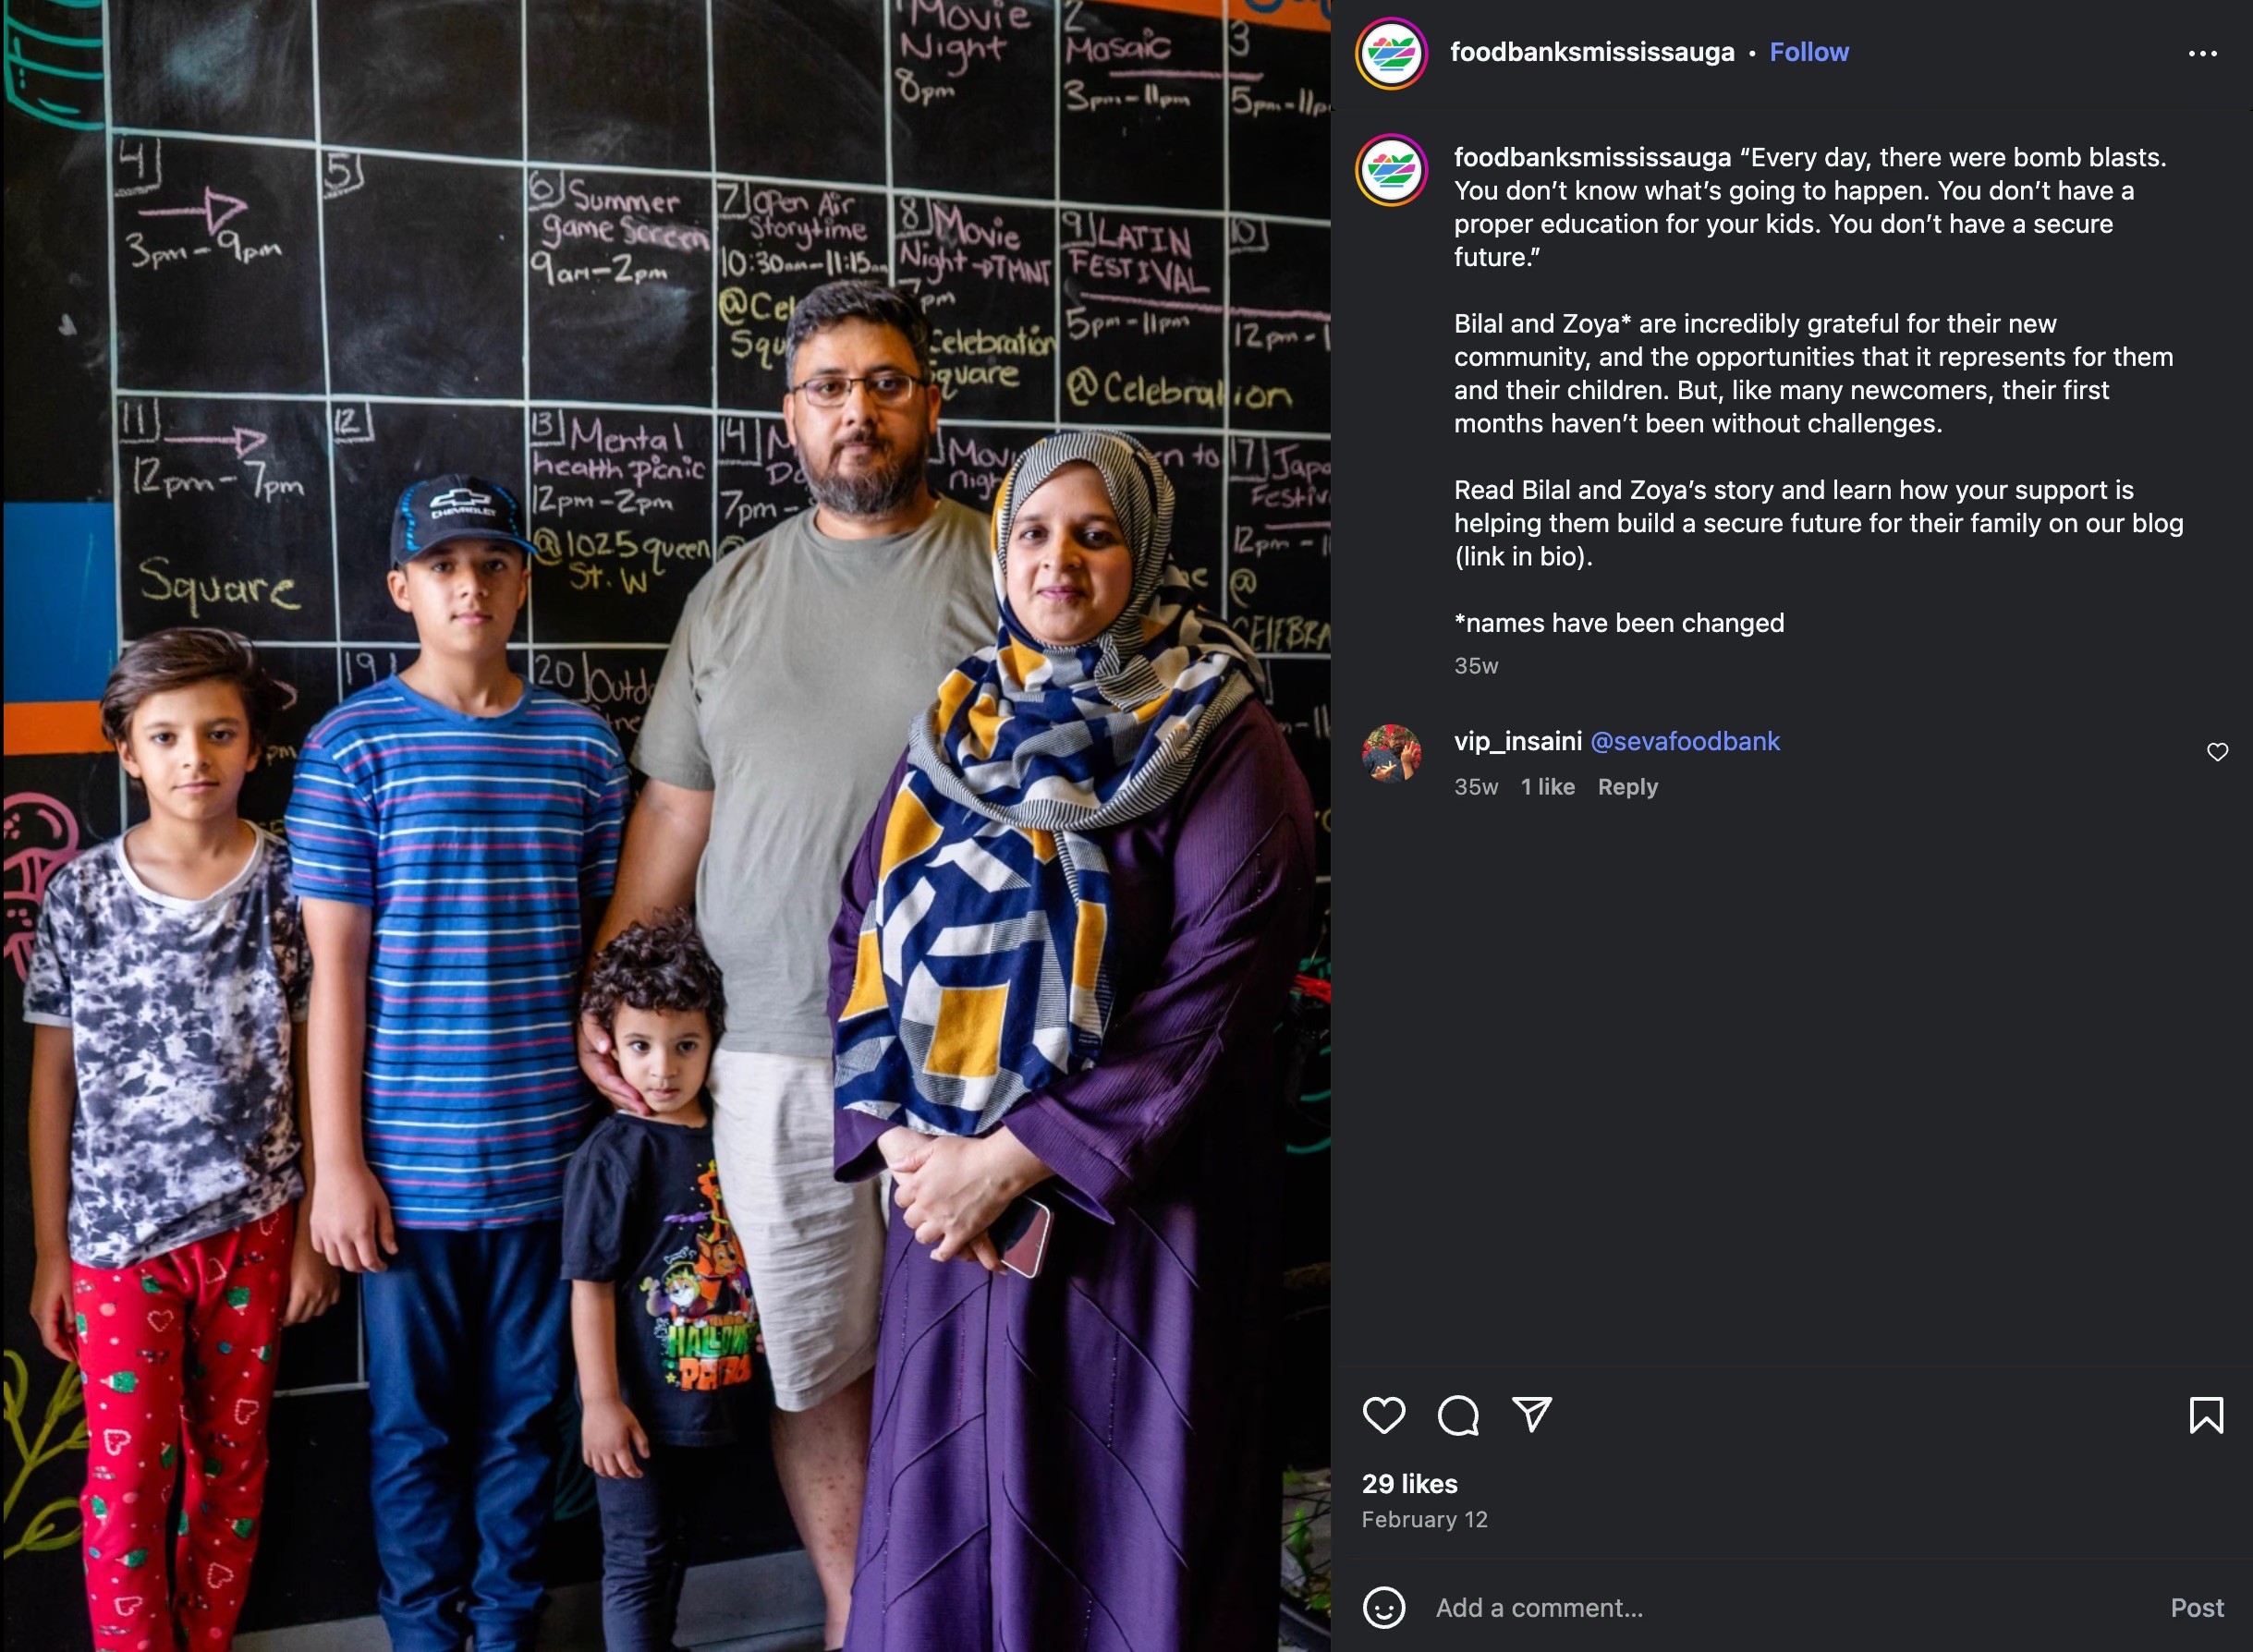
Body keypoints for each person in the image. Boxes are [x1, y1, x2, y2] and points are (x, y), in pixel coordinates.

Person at [830, 430, 1318, 1648]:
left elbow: (1223, 984)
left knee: (1125, 1534)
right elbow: (860, 922)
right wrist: (898, 1132)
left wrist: (1018, 1156)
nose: (1060, 560)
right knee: (949, 1516)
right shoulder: (955, 726)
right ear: (1001, 553)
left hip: (1141, 1229)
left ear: (1141, 554)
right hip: (949, 1210)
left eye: (1095, 533)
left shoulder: (1221, 736)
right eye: (1034, 533)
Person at [578, 279, 992, 1646]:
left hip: (967, 1071)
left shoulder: (1011, 571)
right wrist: (615, 1000)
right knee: (816, 1370)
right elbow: (676, 818)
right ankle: (855, 1621)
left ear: (927, 401)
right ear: (789, 419)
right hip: (760, 1059)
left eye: (883, 382)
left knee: (979, 1363)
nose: (856, 411)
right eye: (827, 387)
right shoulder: (732, 592)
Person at [286, 477, 628, 1652]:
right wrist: (338, 1166)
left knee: (529, 1422)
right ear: (402, 589)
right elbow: (332, 979)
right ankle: (423, 1637)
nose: (469, 586)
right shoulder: (350, 747)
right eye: (443, 566)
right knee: (413, 1432)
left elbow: (605, 954)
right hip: (406, 1176)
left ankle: (505, 1632)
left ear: (523, 581)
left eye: (492, 563)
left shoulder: (583, 747)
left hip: (553, 1162)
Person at [24, 627, 339, 1652]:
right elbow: (51, 1082)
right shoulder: (80, 895)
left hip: (256, 1226)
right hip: (117, 1246)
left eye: (217, 733)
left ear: (253, 749)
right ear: (126, 751)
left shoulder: (293, 885)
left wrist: (302, 1234)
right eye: (164, 737)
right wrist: (49, 1254)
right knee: (125, 1478)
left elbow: (309, 1051)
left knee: (233, 1466)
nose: (192, 758)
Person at [564, 913, 757, 1652]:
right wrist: (602, 1402)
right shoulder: (615, 1155)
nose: (663, 1070)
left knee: (674, 1546)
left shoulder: (728, 1134)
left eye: (685, 1046)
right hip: (635, 1403)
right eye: (641, 1047)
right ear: (611, 1043)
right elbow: (590, 1286)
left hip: (710, 1390)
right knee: (637, 1559)